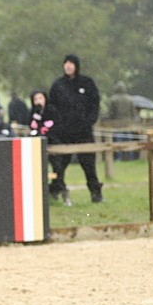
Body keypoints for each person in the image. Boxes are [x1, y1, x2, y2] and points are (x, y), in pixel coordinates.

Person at [47, 53, 102, 204]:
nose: (68, 66)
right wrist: (58, 125)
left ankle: (95, 193)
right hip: (63, 133)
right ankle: (55, 191)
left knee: (89, 165)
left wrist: (89, 122)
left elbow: (95, 104)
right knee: (59, 166)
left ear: (76, 65)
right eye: (66, 63)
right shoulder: (58, 85)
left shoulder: (87, 83)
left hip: (83, 132)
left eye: (71, 63)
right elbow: (51, 106)